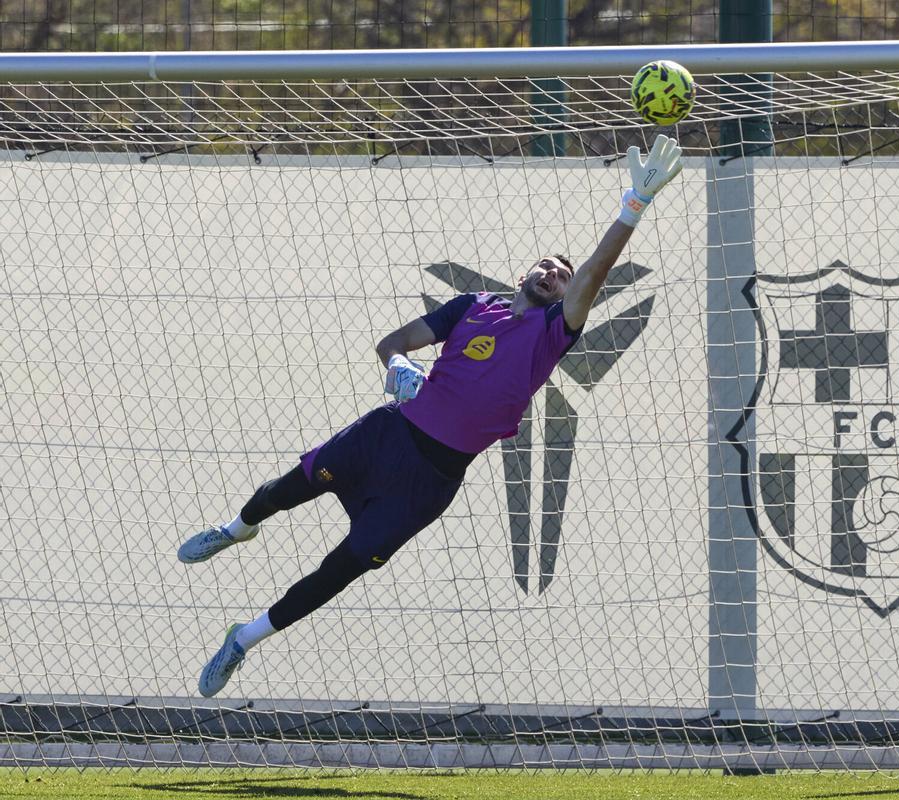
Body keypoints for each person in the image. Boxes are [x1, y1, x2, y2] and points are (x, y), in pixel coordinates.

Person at [177, 135, 683, 697]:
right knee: (286, 491)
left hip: (432, 479)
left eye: (563, 275)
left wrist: (632, 207)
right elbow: (393, 342)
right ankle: (235, 530)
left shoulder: (552, 333)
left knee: (342, 568)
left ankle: (242, 640)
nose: (557, 273)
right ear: (523, 274)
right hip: (386, 433)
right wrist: (398, 365)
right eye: (548, 265)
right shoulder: (471, 308)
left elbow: (593, 274)